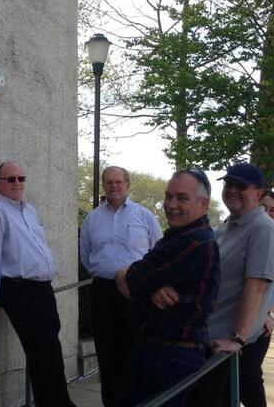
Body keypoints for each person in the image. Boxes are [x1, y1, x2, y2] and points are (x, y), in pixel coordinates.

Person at [114, 168, 219, 406]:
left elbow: (130, 279)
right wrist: (146, 286)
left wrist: (135, 280)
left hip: (168, 358)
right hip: (157, 353)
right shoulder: (174, 238)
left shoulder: (192, 242)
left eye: (182, 198)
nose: (171, 204)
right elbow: (129, 279)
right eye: (168, 196)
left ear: (203, 204)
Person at [0, 161, 76, 407]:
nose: (17, 183)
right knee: (44, 352)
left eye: (21, 178)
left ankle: (56, 402)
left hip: (42, 289)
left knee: (50, 350)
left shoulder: (28, 210)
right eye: (11, 179)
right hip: (19, 290)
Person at [183, 163, 274, 407]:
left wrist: (237, 339)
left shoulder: (263, 229)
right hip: (206, 343)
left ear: (258, 193)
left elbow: (257, 286)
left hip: (226, 350)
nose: (232, 190)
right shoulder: (227, 227)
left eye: (241, 186)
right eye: (229, 184)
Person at [79, 166, 162, 406]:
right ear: (103, 185)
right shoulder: (92, 219)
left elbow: (157, 253)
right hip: (103, 292)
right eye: (109, 182)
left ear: (128, 184)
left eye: (119, 182)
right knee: (107, 354)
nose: (114, 186)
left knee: (136, 351)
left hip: (136, 292)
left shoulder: (145, 216)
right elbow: (86, 255)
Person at [237, 190, 274, 406]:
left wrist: (270, 313)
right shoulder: (238, 234)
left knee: (249, 377)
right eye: (263, 208)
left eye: (273, 210)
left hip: (260, 322)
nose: (267, 213)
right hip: (231, 317)